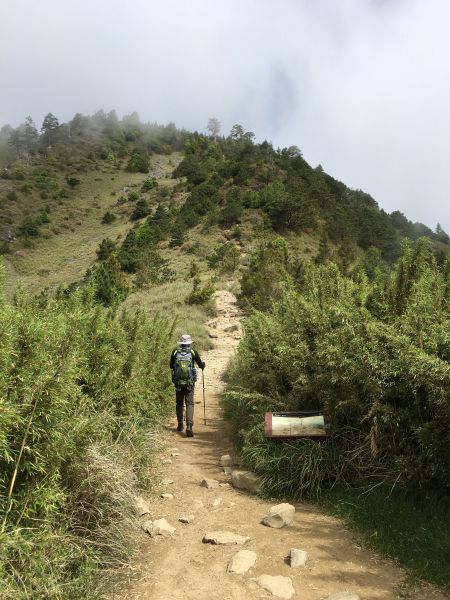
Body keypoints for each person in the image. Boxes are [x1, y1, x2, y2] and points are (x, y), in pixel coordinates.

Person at [170, 334, 205, 437]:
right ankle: (189, 425)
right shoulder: (193, 352)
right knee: (189, 403)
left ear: (181, 343)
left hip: (178, 383)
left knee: (179, 403)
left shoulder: (175, 352)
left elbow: (171, 366)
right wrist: (203, 365)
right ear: (189, 343)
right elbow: (200, 365)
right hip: (189, 383)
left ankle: (180, 424)